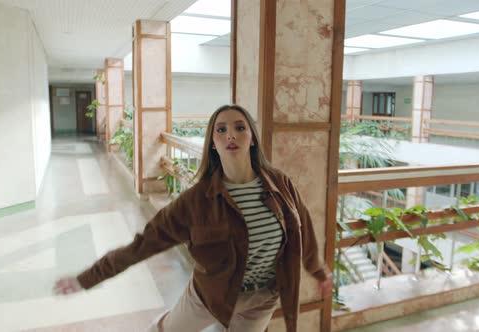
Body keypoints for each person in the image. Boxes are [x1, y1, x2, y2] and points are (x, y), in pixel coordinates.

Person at [54, 104, 333, 332]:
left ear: (252, 137)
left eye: (239, 127)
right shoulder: (196, 201)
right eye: (221, 130)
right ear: (212, 143)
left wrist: (318, 271)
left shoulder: (279, 184)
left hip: (263, 298)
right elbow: (142, 246)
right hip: (211, 295)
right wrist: (86, 278)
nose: (231, 135)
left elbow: (303, 230)